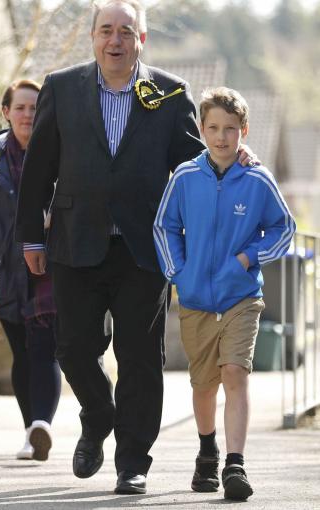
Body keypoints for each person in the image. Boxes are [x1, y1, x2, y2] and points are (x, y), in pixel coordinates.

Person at [14, 0, 258, 495]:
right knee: (74, 348)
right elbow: (39, 168)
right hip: (74, 239)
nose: (116, 40)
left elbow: (195, 165)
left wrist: (232, 159)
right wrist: (31, 236)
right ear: (93, 37)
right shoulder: (61, 87)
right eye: (107, 30)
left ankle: (132, 461)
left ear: (141, 40)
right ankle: (99, 413)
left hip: (145, 248)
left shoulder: (168, 94)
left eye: (127, 31)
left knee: (140, 355)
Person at [153, 87, 294, 501]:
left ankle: (236, 463)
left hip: (242, 296)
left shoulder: (257, 179)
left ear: (243, 131)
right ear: (201, 129)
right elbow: (165, 227)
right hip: (195, 298)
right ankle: (206, 451)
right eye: (212, 128)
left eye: (230, 129)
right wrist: (179, 271)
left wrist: (249, 259)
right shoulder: (185, 176)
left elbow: (282, 228)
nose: (220, 137)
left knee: (235, 372)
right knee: (204, 384)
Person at [0, 79, 62, 461]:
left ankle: (40, 425)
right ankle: (32, 431)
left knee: (44, 350)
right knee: (21, 355)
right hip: (4, 269)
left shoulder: (61, 152)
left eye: (35, 108)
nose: (28, 115)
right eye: (21, 108)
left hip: (49, 268)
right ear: (6, 112)